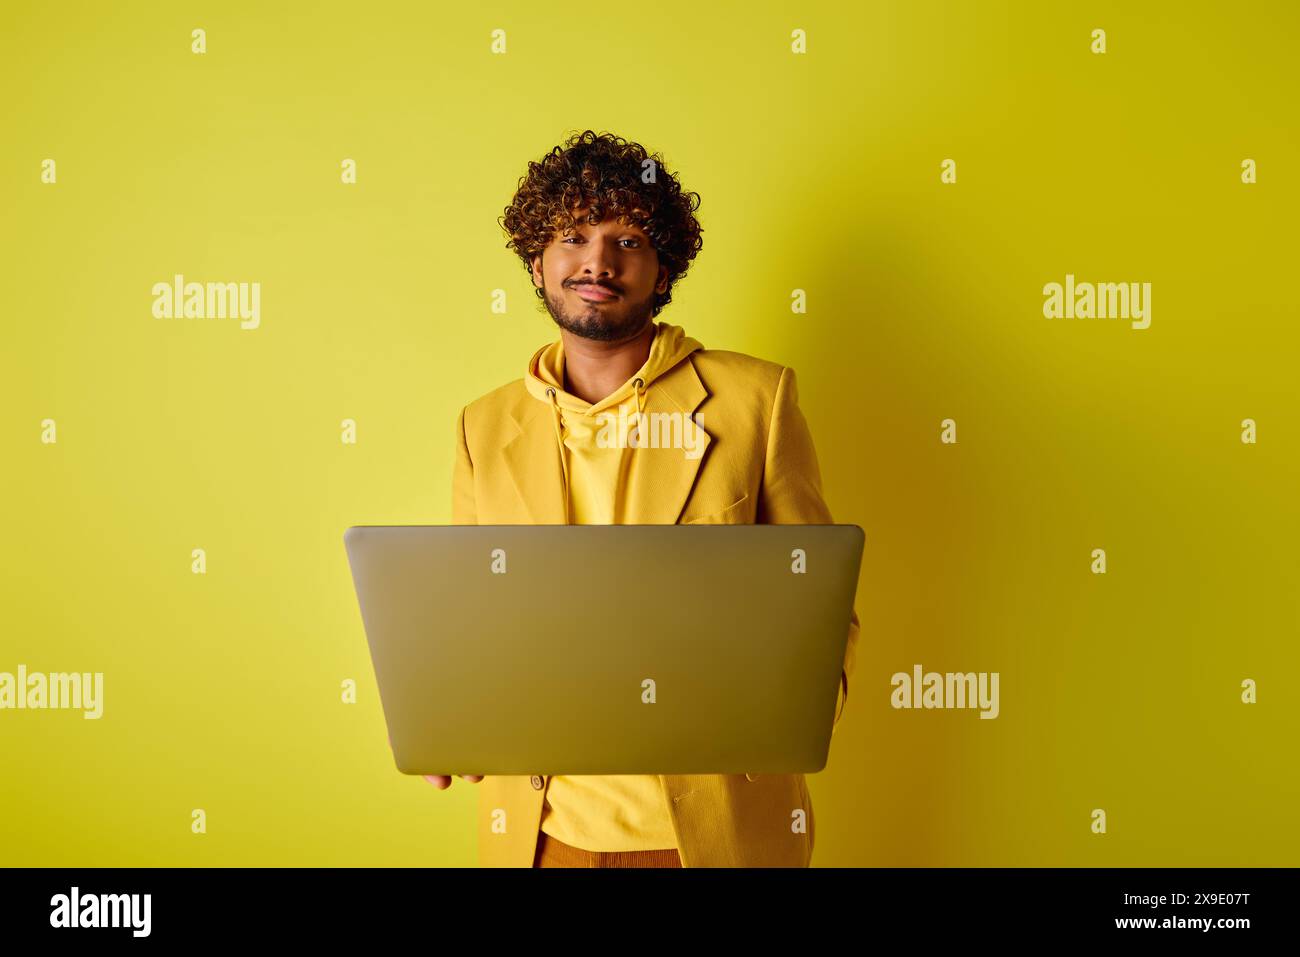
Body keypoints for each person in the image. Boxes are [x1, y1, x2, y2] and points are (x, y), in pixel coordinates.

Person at [431, 130, 859, 868]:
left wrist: (795, 717)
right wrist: (451, 712)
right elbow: (475, 613)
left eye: (627, 237)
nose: (598, 259)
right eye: (573, 236)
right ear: (537, 262)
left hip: (715, 831)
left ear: (663, 271)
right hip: (541, 837)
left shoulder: (756, 400)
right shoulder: (483, 424)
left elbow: (818, 602)